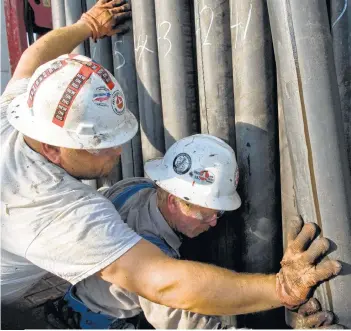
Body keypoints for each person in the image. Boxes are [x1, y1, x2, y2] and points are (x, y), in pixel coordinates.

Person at [0, 0, 341, 328]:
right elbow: (165, 286)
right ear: (53, 147)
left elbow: (34, 57)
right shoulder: (52, 210)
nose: (118, 152)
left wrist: (87, 25)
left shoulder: (21, 111)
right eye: (98, 145)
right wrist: (280, 289)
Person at [47, 134, 342, 329]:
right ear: (175, 201)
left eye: (220, 212)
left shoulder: (134, 187)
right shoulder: (148, 256)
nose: (214, 223)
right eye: (208, 212)